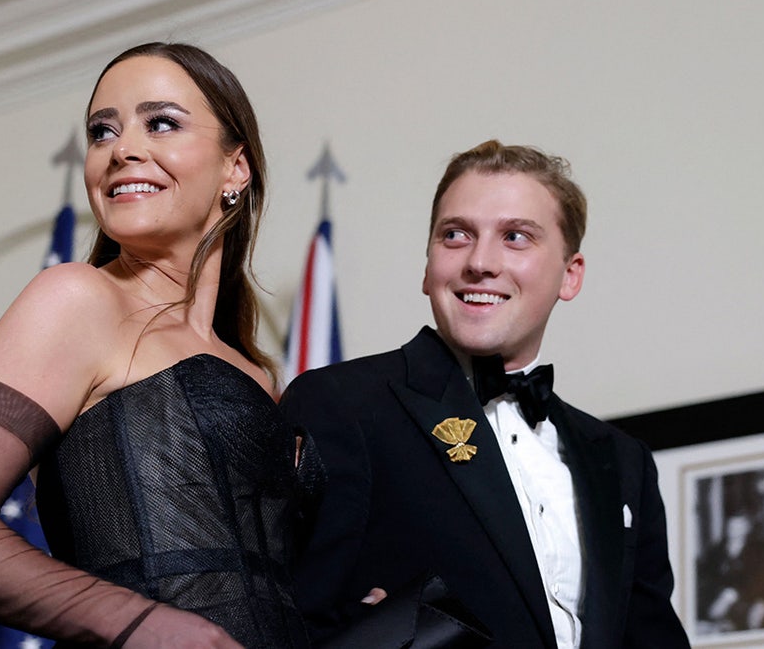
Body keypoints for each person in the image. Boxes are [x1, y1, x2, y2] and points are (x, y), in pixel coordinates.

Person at [0, 42, 312, 649]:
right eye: (102, 132)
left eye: (160, 122)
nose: (122, 150)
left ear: (235, 168)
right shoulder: (78, 299)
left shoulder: (257, 373)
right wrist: (146, 626)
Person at [282, 140, 691, 648]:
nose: (480, 261)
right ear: (428, 265)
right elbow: (285, 617)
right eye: (455, 235)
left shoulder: (624, 462)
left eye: (515, 237)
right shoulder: (343, 405)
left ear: (570, 274)